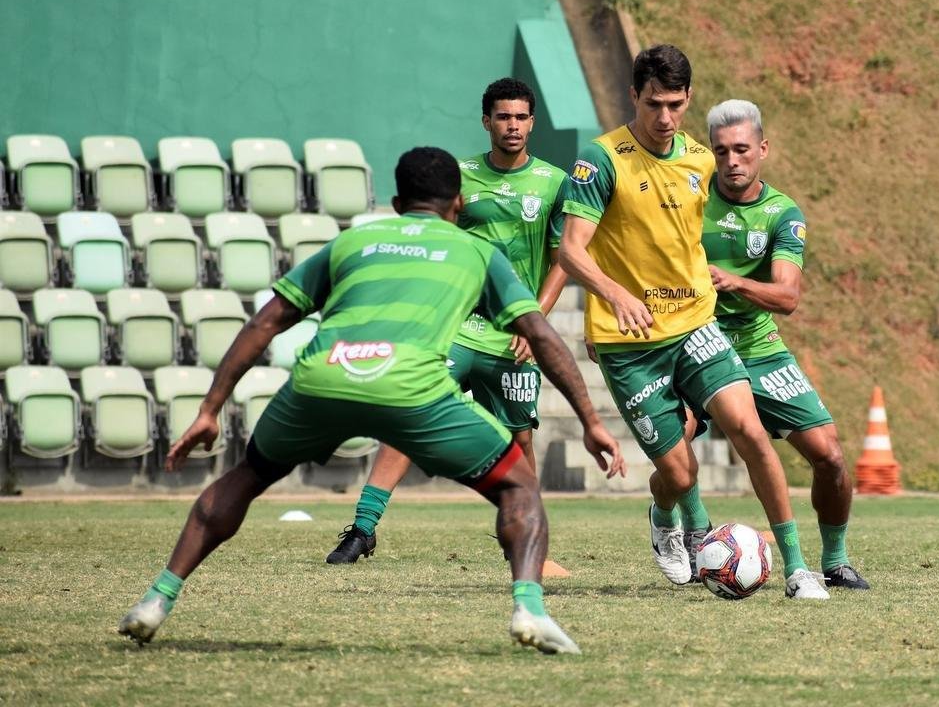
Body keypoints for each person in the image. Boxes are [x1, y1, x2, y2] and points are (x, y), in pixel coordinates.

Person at [117, 147, 625, 654]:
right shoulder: (475, 251)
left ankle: (156, 599)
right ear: (459, 204)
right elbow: (540, 334)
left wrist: (210, 409)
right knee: (519, 487)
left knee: (245, 478)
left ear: (397, 201)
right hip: (410, 387)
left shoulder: (351, 241)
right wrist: (590, 420)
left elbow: (265, 322)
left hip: (322, 380)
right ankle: (530, 610)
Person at [558, 44, 829, 600]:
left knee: (751, 432)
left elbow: (739, 206)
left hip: (695, 325)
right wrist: (613, 296)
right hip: (630, 343)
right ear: (633, 96)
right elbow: (571, 251)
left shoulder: (701, 161)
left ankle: (799, 568)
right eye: (654, 104)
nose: (665, 118)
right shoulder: (600, 160)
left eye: (676, 105)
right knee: (679, 474)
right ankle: (667, 518)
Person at [325, 78, 570, 565]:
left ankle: (529, 543)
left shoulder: (554, 182)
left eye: (521, 117)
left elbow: (564, 258)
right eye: (503, 117)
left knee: (521, 439)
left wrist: (533, 319)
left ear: (533, 122)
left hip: (513, 336)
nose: (513, 125)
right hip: (457, 326)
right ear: (487, 121)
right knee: (410, 409)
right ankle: (362, 529)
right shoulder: (458, 177)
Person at [703, 98, 869, 589]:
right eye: (721, 151)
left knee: (831, 456)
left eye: (742, 149)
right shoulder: (690, 200)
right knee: (677, 451)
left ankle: (835, 561)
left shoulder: (782, 213)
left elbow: (788, 296)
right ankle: (689, 535)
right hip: (697, 343)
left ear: (763, 149)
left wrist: (733, 282)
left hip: (759, 347)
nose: (732, 161)